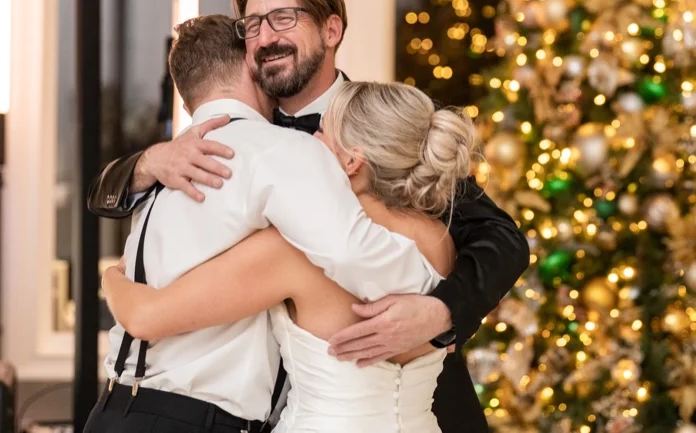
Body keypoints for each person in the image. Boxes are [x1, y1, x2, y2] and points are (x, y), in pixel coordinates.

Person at [87, 0, 530, 432]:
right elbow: (105, 196)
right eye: (252, 25)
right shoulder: (241, 139)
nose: (265, 37)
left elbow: (502, 239)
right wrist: (148, 162)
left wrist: (441, 312)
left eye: (284, 18)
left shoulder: (387, 124)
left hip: (417, 404)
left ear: (331, 29)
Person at [102, 78, 477, 432]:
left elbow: (145, 317)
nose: (310, 142)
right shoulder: (443, 243)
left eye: (322, 135)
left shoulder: (296, 251)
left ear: (351, 163)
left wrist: (113, 277)